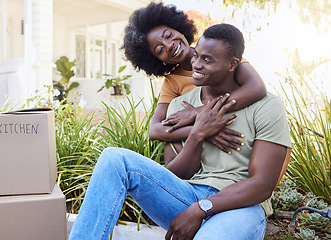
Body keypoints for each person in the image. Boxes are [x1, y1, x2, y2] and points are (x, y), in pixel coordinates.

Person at [69, 23, 291, 240]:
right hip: (187, 196)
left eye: (207, 59)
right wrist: (197, 133)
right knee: (114, 158)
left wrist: (202, 208)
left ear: (233, 64)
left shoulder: (266, 106)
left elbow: (263, 185)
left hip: (240, 207)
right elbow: (178, 174)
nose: (196, 63)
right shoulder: (178, 107)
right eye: (197, 56)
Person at [122, 2, 267, 154]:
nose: (169, 45)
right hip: (205, 155)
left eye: (169, 35)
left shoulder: (216, 51)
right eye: (160, 50)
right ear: (158, 60)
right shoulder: (173, 81)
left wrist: (197, 112)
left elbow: (257, 88)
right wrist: (201, 131)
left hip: (245, 137)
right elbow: (155, 130)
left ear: (179, 29)